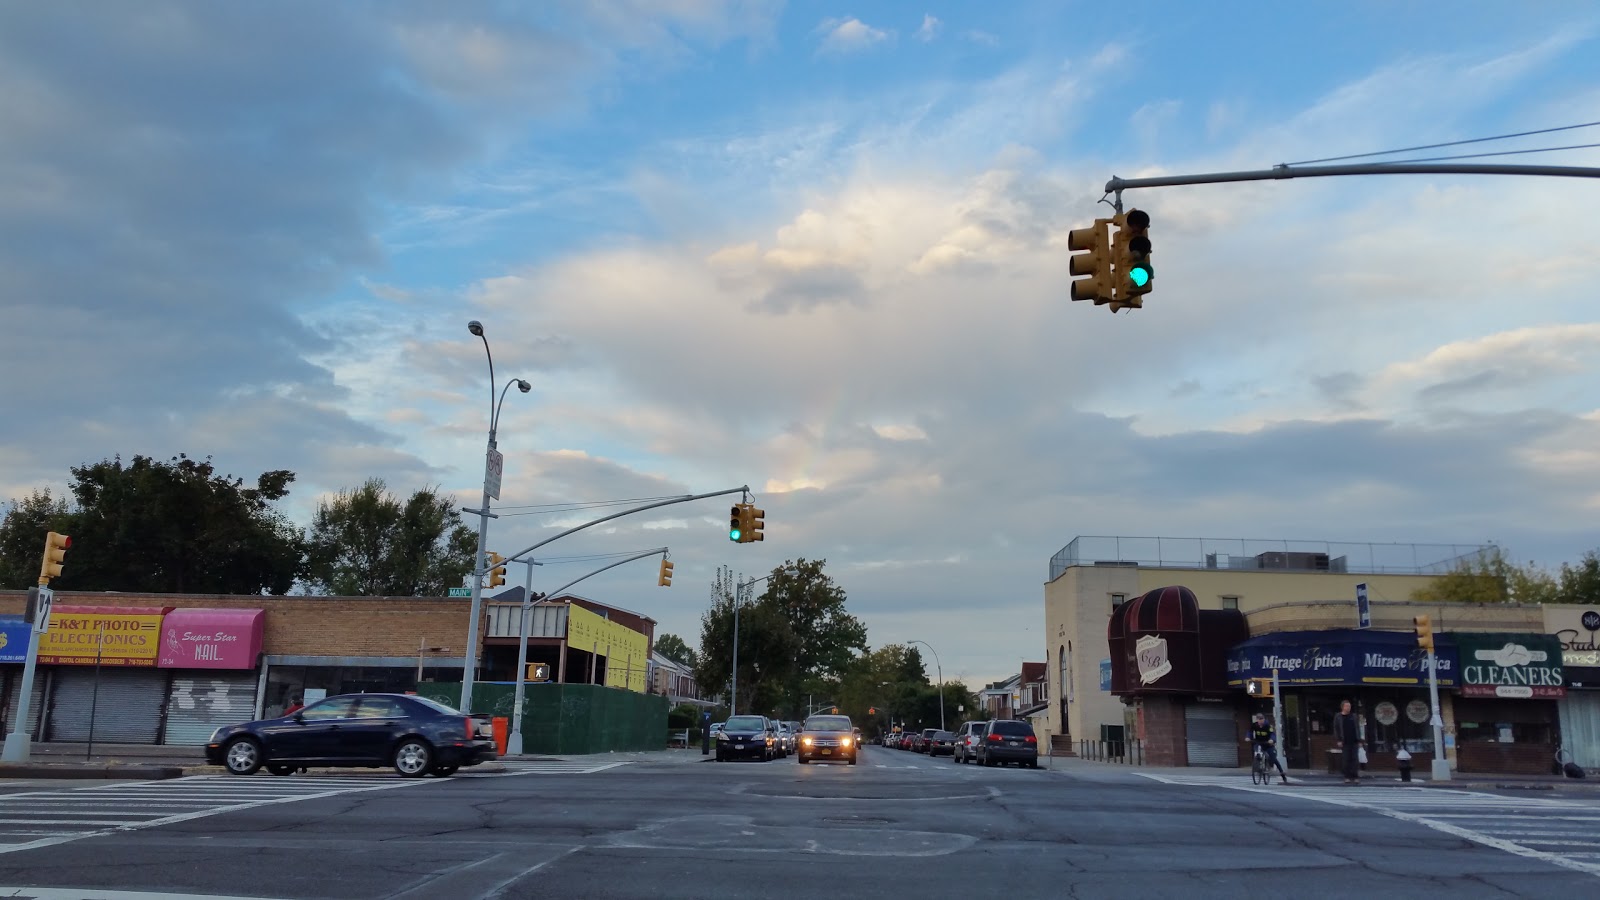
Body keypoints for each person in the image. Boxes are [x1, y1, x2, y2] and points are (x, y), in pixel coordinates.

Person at [1250, 712, 1289, 784]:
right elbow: (1250, 732)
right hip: (1259, 743)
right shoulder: (1254, 725)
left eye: (1261, 719)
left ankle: (1282, 774)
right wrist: (1248, 737)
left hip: (1268, 744)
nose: (1260, 721)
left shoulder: (1268, 726)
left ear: (1263, 719)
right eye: (1258, 719)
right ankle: (1258, 764)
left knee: (1273, 758)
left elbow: (1272, 734)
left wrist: (1272, 740)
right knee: (1256, 750)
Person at [1332, 700, 1363, 785]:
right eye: (1346, 706)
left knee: (1355, 759)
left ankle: (1355, 776)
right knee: (1346, 759)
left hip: (1354, 741)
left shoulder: (1354, 716)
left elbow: (1357, 728)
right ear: (1342, 707)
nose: (1348, 708)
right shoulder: (1338, 716)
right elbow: (1336, 728)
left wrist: (1359, 740)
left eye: (1349, 706)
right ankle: (1347, 776)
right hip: (1344, 741)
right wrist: (1338, 740)